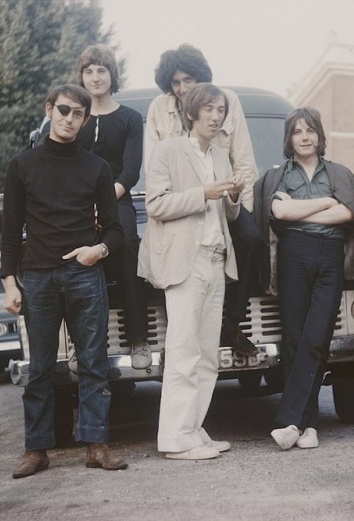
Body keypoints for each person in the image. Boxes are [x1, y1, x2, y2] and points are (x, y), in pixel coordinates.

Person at [1, 84, 127, 478]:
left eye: (78, 114)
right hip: (37, 276)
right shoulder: (22, 165)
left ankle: (96, 446)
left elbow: (115, 230)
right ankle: (36, 450)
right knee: (39, 367)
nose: (70, 119)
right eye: (64, 110)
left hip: (84, 273)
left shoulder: (97, 168)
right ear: (50, 109)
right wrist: (9, 282)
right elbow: (9, 230)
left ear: (86, 120)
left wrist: (97, 252)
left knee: (93, 363)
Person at [254, 107, 354, 450]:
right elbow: (279, 212)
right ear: (289, 139)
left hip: (329, 256)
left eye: (310, 131)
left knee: (317, 335)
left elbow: (350, 211)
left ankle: (289, 420)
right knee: (294, 336)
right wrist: (326, 204)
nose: (305, 137)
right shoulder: (280, 175)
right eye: (297, 131)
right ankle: (307, 426)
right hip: (293, 255)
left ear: (320, 136)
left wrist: (302, 210)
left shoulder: (338, 173)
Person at [138, 83, 244, 460]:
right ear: (192, 113)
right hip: (186, 261)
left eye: (221, 110)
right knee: (182, 351)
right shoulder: (168, 150)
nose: (216, 116)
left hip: (217, 259)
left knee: (207, 354)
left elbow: (228, 213)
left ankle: (193, 430)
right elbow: (155, 204)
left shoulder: (220, 155)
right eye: (210, 109)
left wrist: (231, 197)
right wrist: (204, 193)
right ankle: (173, 438)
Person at [145, 43, 261, 356]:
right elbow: (153, 166)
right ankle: (176, 338)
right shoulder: (159, 109)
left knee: (250, 237)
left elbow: (244, 161)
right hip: (181, 205)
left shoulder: (227, 101)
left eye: (189, 80)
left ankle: (233, 325)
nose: (183, 88)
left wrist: (239, 207)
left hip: (223, 205)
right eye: (176, 83)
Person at [75, 44, 151, 370]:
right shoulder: (73, 118)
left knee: (129, 245)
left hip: (118, 201)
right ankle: (85, 347)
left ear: (112, 75)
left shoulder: (130, 119)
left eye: (101, 70)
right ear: (81, 76)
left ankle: (139, 339)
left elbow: (130, 172)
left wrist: (103, 203)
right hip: (77, 206)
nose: (95, 77)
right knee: (72, 256)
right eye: (89, 71)